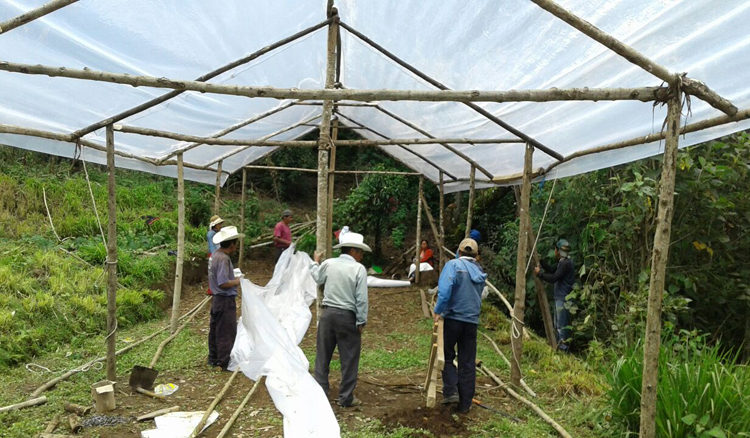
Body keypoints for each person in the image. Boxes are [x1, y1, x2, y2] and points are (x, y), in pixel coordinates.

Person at [310, 231, 371, 408]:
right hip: (347, 316)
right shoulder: (358, 269)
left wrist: (315, 263)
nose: (361, 256)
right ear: (353, 251)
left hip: (327, 315)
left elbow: (317, 277)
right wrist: (361, 320)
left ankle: (320, 393)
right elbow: (361, 298)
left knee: (323, 354)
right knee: (349, 357)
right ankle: (346, 397)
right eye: (360, 252)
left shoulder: (328, 264)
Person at [434, 238, 487, 414]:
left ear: (459, 251)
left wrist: (438, 311)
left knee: (448, 355)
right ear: (476, 255)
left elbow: (445, 291)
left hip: (453, 319)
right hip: (471, 322)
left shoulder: (453, 266)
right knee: (467, 361)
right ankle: (465, 404)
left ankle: (451, 392)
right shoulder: (479, 271)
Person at [207, 225, 244, 370]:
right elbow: (223, 283)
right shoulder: (223, 259)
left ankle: (213, 358)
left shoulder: (215, 255)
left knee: (215, 329)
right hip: (224, 300)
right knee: (226, 331)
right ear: (232, 244)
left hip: (217, 300)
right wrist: (238, 281)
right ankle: (223, 362)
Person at [534, 238, 576, 352]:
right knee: (559, 326)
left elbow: (554, 278)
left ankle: (563, 350)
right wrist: (542, 262)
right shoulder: (564, 262)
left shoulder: (565, 264)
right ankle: (559, 349)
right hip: (561, 298)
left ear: (558, 250)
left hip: (563, 299)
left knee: (562, 327)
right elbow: (553, 270)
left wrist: (540, 274)